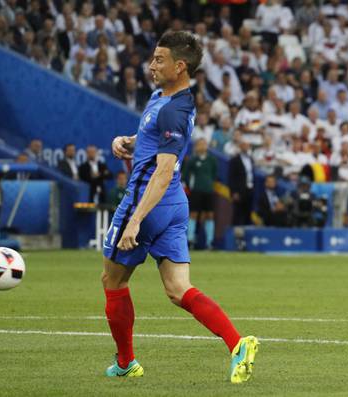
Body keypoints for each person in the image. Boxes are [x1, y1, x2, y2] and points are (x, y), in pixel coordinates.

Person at [103, 31, 258, 382]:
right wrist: (129, 141)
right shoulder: (166, 98)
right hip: (175, 203)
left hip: (147, 201)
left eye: (160, 60)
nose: (152, 65)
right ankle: (237, 344)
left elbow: (161, 170)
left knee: (112, 281)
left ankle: (126, 362)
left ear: (180, 65)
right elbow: (153, 138)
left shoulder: (174, 108)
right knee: (178, 289)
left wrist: (134, 221)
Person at [182, 138, 218, 248]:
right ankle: (190, 240)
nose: (202, 146)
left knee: (210, 215)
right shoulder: (192, 160)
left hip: (208, 191)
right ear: (196, 146)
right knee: (193, 214)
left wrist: (209, 184)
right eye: (200, 144)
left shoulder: (212, 160)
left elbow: (214, 174)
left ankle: (210, 242)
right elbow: (186, 175)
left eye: (204, 144)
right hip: (196, 191)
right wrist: (191, 186)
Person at [228, 140, 255, 225]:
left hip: (249, 189)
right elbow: (231, 177)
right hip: (239, 191)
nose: (246, 147)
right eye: (244, 145)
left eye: (247, 145)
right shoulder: (234, 160)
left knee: (248, 213)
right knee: (237, 214)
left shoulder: (251, 159)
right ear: (240, 147)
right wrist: (234, 192)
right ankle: (234, 235)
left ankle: (247, 235)